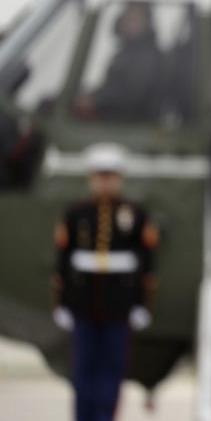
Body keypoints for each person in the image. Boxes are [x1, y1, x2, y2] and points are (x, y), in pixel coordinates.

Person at [52, 142, 160, 421]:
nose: (105, 182)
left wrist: (141, 303)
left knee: (112, 369)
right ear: (91, 178)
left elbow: (146, 262)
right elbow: (62, 260)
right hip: (83, 303)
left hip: (119, 304)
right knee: (83, 368)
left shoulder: (134, 213)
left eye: (110, 176)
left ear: (120, 178)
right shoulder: (76, 213)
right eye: (100, 176)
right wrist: (62, 303)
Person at [73, 1, 163, 122]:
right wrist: (90, 95)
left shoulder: (148, 55)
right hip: (114, 115)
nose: (130, 23)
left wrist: (95, 99)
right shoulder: (127, 51)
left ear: (146, 23)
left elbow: (132, 95)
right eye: (128, 18)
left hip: (126, 121)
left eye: (136, 19)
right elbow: (113, 86)